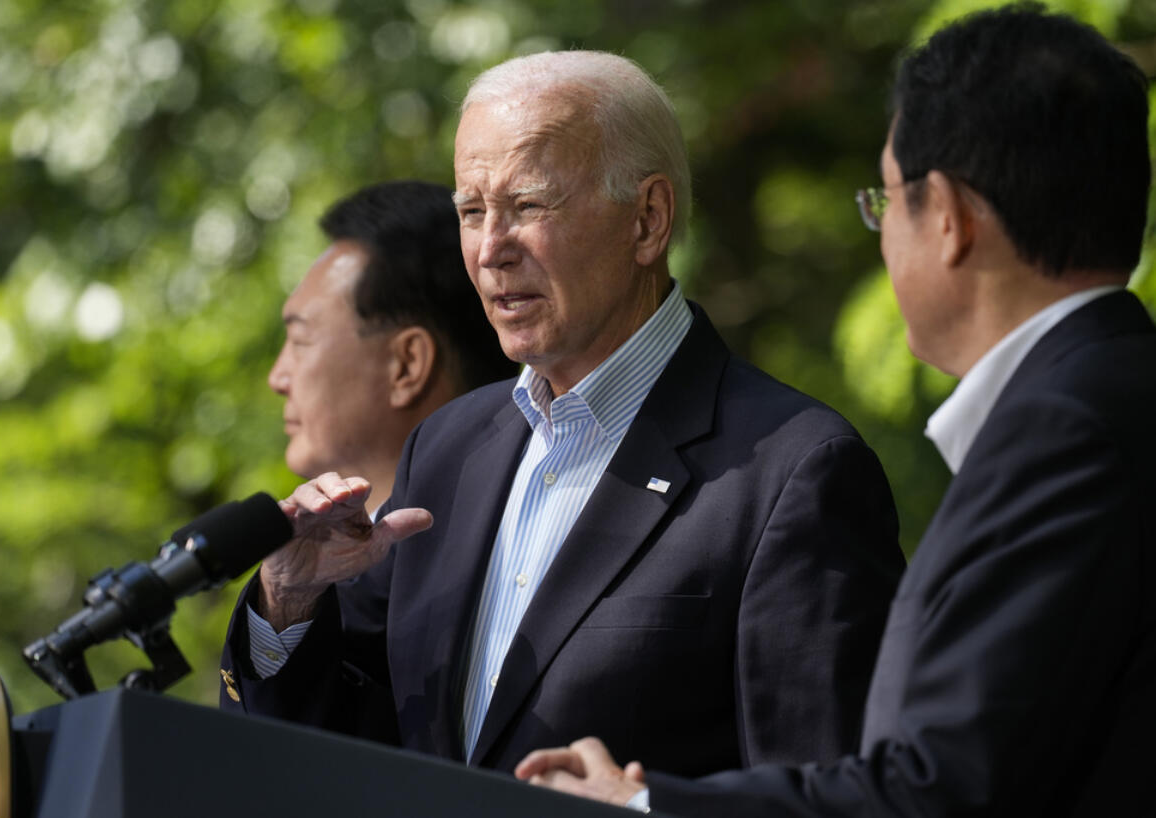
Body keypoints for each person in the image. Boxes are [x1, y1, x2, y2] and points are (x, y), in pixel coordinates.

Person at [515, 5, 1156, 815]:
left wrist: (645, 807)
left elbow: (943, 786)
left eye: (882, 205)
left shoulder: (1065, 434)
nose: (882, 237)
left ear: (951, 220)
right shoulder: (1111, 397)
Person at [221, 51, 905, 779]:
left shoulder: (795, 470)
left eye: (528, 207)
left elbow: (829, 792)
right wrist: (288, 604)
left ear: (647, 220)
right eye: (473, 212)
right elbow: (338, 755)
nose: (490, 251)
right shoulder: (447, 450)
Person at [225, 180, 518, 683]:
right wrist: (285, 602)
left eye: (300, 340)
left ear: (406, 364)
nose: (277, 378)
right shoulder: (312, 569)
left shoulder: (513, 545)